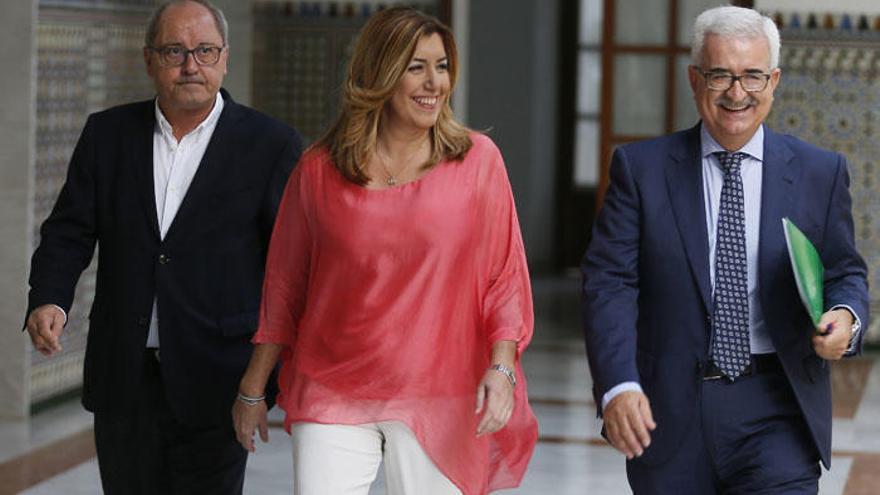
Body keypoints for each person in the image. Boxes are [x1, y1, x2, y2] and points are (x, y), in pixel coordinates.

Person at [232, 7, 537, 495]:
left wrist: (502, 370)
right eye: (416, 66)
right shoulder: (318, 171)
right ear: (379, 72)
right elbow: (285, 285)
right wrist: (253, 388)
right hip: (331, 386)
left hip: (440, 394)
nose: (434, 82)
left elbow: (505, 278)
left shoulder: (477, 162)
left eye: (441, 66)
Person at [581, 6, 869, 494]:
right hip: (670, 411)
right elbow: (609, 284)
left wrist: (847, 316)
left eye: (753, 76)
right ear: (695, 81)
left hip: (778, 407)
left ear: (774, 80)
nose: (738, 93)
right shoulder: (641, 170)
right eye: (720, 75)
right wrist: (619, 384)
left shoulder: (820, 173)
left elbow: (845, 271)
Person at [24, 1, 302, 493]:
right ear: (149, 58)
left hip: (218, 378)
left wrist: (263, 381)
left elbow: (288, 268)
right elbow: (68, 230)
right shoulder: (107, 135)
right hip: (124, 376)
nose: (190, 65)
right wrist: (50, 298)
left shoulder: (270, 144)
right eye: (175, 51)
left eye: (204, 50)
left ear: (225, 57)